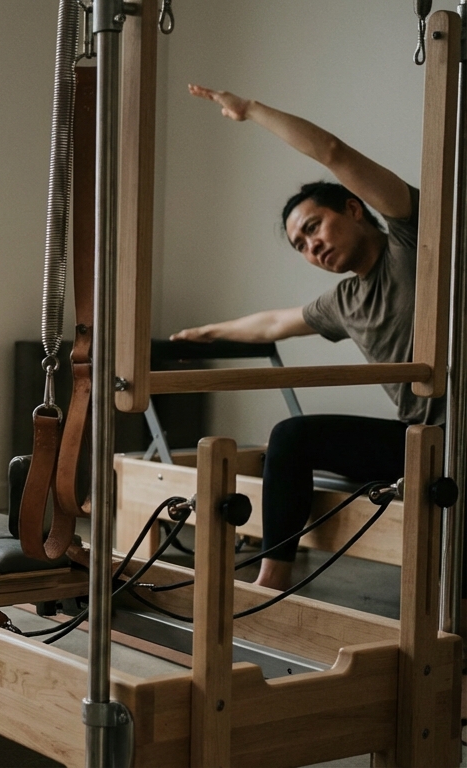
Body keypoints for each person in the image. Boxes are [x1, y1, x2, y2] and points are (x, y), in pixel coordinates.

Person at [172, 84, 444, 592]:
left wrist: (251, 110)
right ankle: (272, 583)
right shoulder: (344, 302)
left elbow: (333, 153)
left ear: (354, 209)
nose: (312, 247)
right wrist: (205, 332)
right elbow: (274, 323)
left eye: (315, 227)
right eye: (301, 245)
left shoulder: (413, 240)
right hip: (419, 441)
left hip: (460, 435)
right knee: (293, 438)